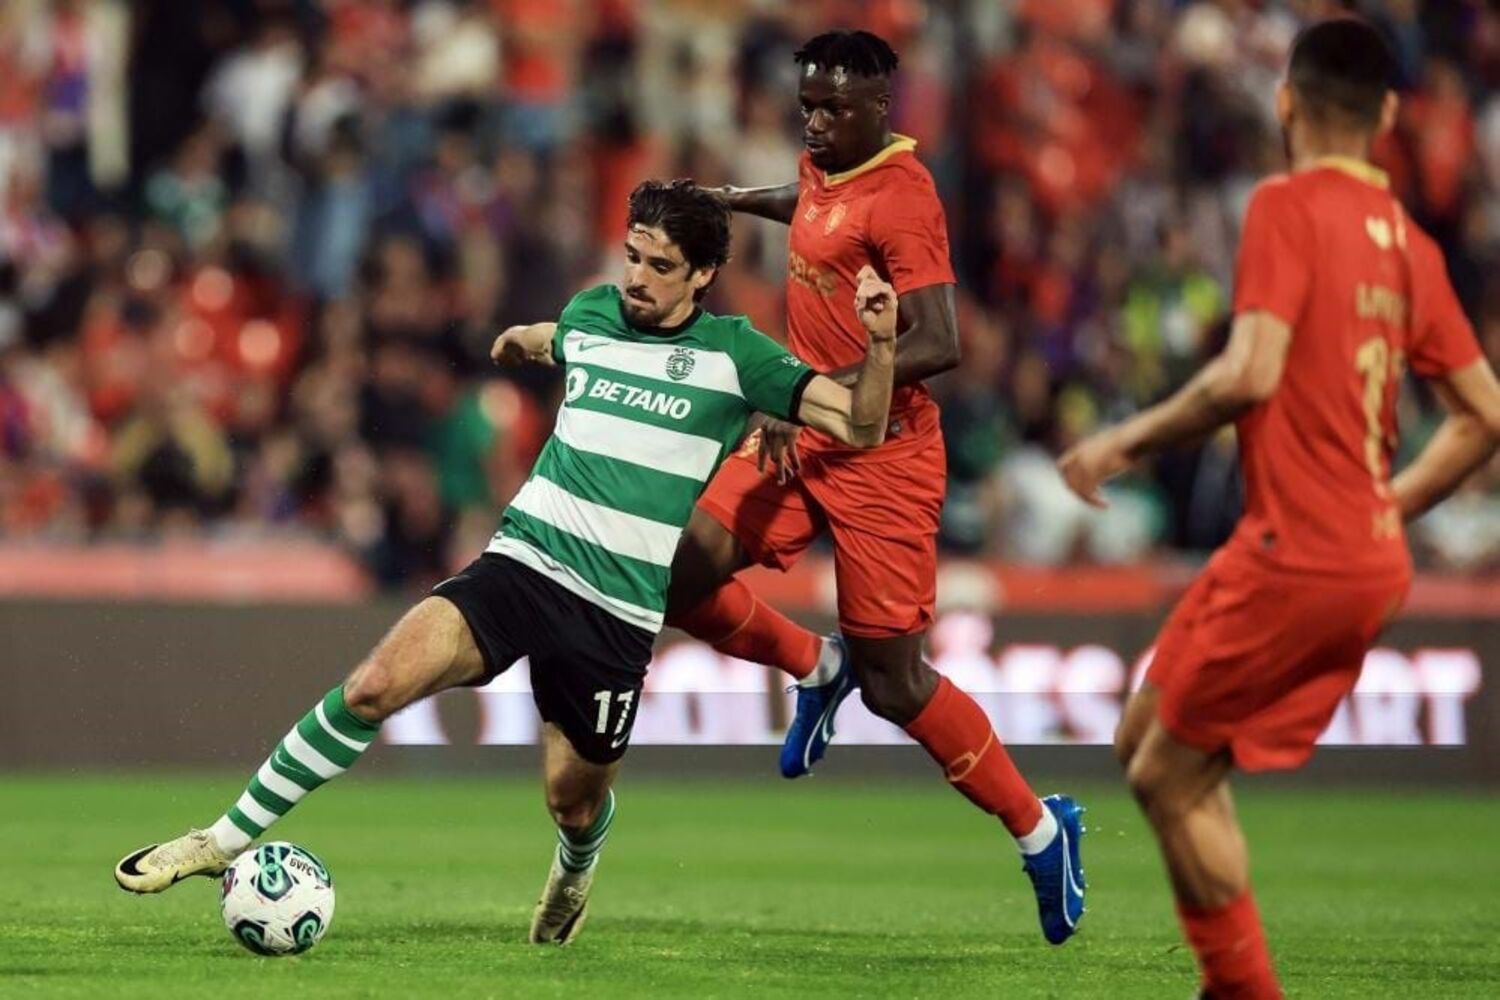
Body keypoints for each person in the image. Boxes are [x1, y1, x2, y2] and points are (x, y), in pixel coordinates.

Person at [113, 179, 902, 946]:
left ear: (702, 274)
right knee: (373, 685)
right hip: (522, 564)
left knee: (572, 802)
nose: (638, 277)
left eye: (661, 266)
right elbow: (554, 336)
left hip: (616, 614)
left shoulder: (736, 355)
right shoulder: (595, 312)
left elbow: (861, 426)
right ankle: (219, 840)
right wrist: (519, 340)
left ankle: (576, 866)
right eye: (633, 256)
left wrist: (880, 344)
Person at [1058, 19, 1500, 998]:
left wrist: (1123, 440)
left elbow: (1250, 369)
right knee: (1142, 735)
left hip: (1298, 553)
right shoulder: (1411, 245)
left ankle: (1244, 990)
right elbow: (1485, 414)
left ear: (1287, 101)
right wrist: (1388, 506)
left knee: (1166, 776)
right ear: (1390, 114)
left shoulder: (1285, 205)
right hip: (1333, 548)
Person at [664, 30, 1085, 944]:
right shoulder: (828, 164)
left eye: (833, 109)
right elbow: (814, 208)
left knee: (895, 684)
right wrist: (735, 201)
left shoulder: (905, 197)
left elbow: (939, 341)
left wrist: (815, 393)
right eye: (807, 107)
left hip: (882, 456)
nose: (814, 125)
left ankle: (1042, 831)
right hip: (802, 433)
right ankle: (817, 667)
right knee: (679, 572)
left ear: (880, 107)